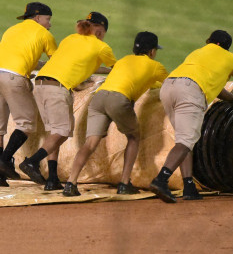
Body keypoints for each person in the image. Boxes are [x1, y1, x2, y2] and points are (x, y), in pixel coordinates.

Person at [149, 30, 233, 203]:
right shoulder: (232, 58)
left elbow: (214, 86)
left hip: (169, 87)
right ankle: (161, 180)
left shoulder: (198, 52)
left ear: (209, 41)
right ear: (227, 47)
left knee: (184, 141)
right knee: (185, 141)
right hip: (190, 91)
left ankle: (189, 186)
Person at [62, 31, 168, 197]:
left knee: (90, 143)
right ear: (152, 51)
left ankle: (70, 183)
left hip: (99, 97)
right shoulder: (155, 66)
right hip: (119, 99)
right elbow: (168, 85)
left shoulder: (124, 60)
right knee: (133, 137)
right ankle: (124, 183)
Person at [19, 12, 117, 191]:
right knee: (62, 132)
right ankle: (32, 162)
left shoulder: (70, 38)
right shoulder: (102, 47)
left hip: (40, 84)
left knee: (53, 133)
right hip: (57, 88)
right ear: (101, 31)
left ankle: (52, 179)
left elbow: (73, 62)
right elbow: (117, 69)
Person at [0, 2, 57, 187]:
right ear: (38, 18)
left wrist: (32, 66)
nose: (49, 24)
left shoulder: (12, 29)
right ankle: (4, 159)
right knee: (27, 123)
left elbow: (20, 55)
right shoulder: (45, 34)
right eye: (48, 19)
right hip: (13, 76)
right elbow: (57, 62)